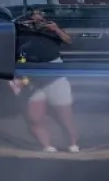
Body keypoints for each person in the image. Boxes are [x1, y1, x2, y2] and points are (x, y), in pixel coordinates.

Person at [10, 10, 81, 153]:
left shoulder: (52, 30)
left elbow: (69, 40)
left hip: (53, 73)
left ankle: (73, 144)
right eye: (33, 18)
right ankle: (47, 147)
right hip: (29, 75)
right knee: (34, 118)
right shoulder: (18, 30)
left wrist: (56, 29)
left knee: (65, 116)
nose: (36, 21)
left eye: (39, 19)